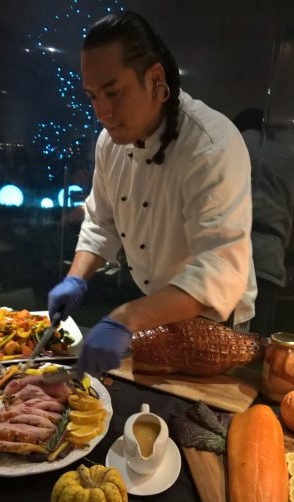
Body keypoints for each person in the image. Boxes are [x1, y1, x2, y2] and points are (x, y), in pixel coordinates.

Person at [48, 10, 257, 377]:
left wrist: (125, 317)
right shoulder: (109, 143)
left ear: (156, 80)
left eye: (113, 93)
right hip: (155, 309)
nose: (102, 112)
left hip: (215, 323)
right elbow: (101, 220)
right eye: (93, 96)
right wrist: (76, 278)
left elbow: (219, 266)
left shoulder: (211, 145)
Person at [233, 108, 294, 336]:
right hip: (271, 258)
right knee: (257, 343)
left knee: (218, 343)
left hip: (231, 254)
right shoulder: (288, 158)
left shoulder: (233, 144)